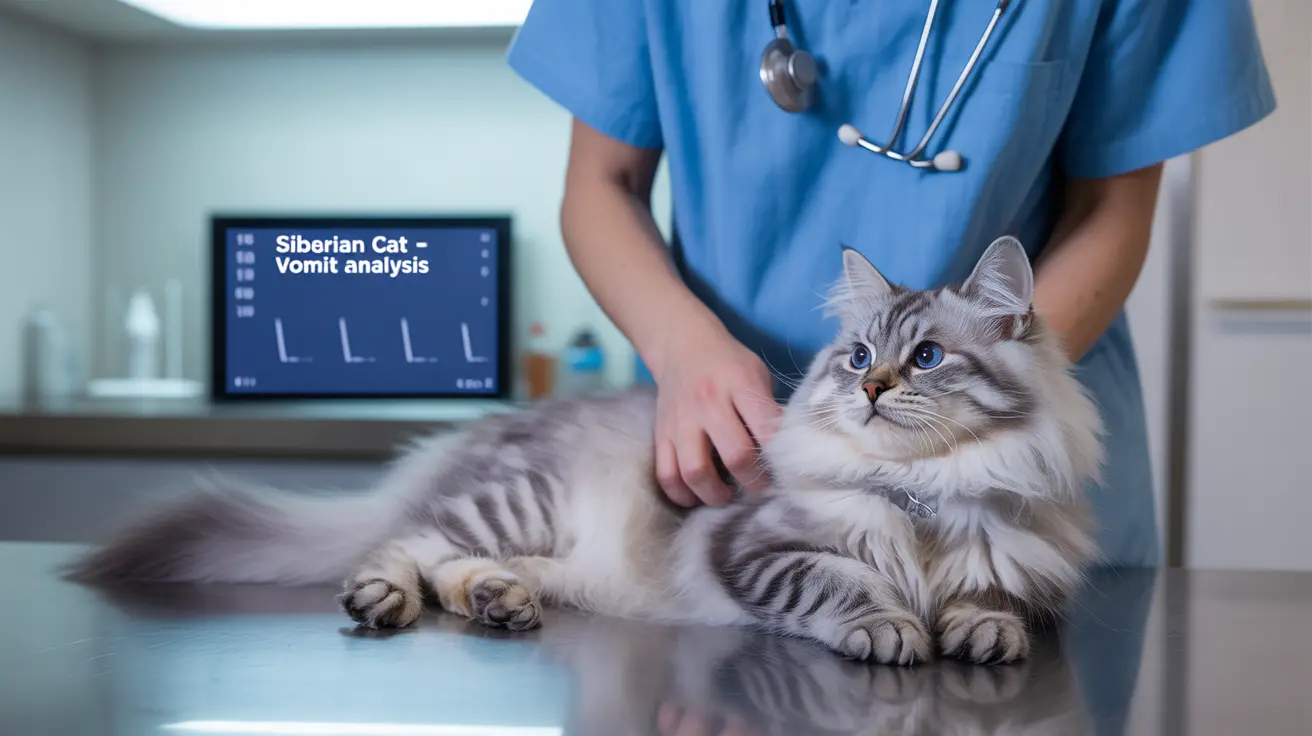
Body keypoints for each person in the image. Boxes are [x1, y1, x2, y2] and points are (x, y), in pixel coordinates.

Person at [504, 0, 1275, 568]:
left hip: (997, 470)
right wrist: (681, 349)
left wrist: (970, 427)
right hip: (729, 452)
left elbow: (1112, 209)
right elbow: (602, 185)